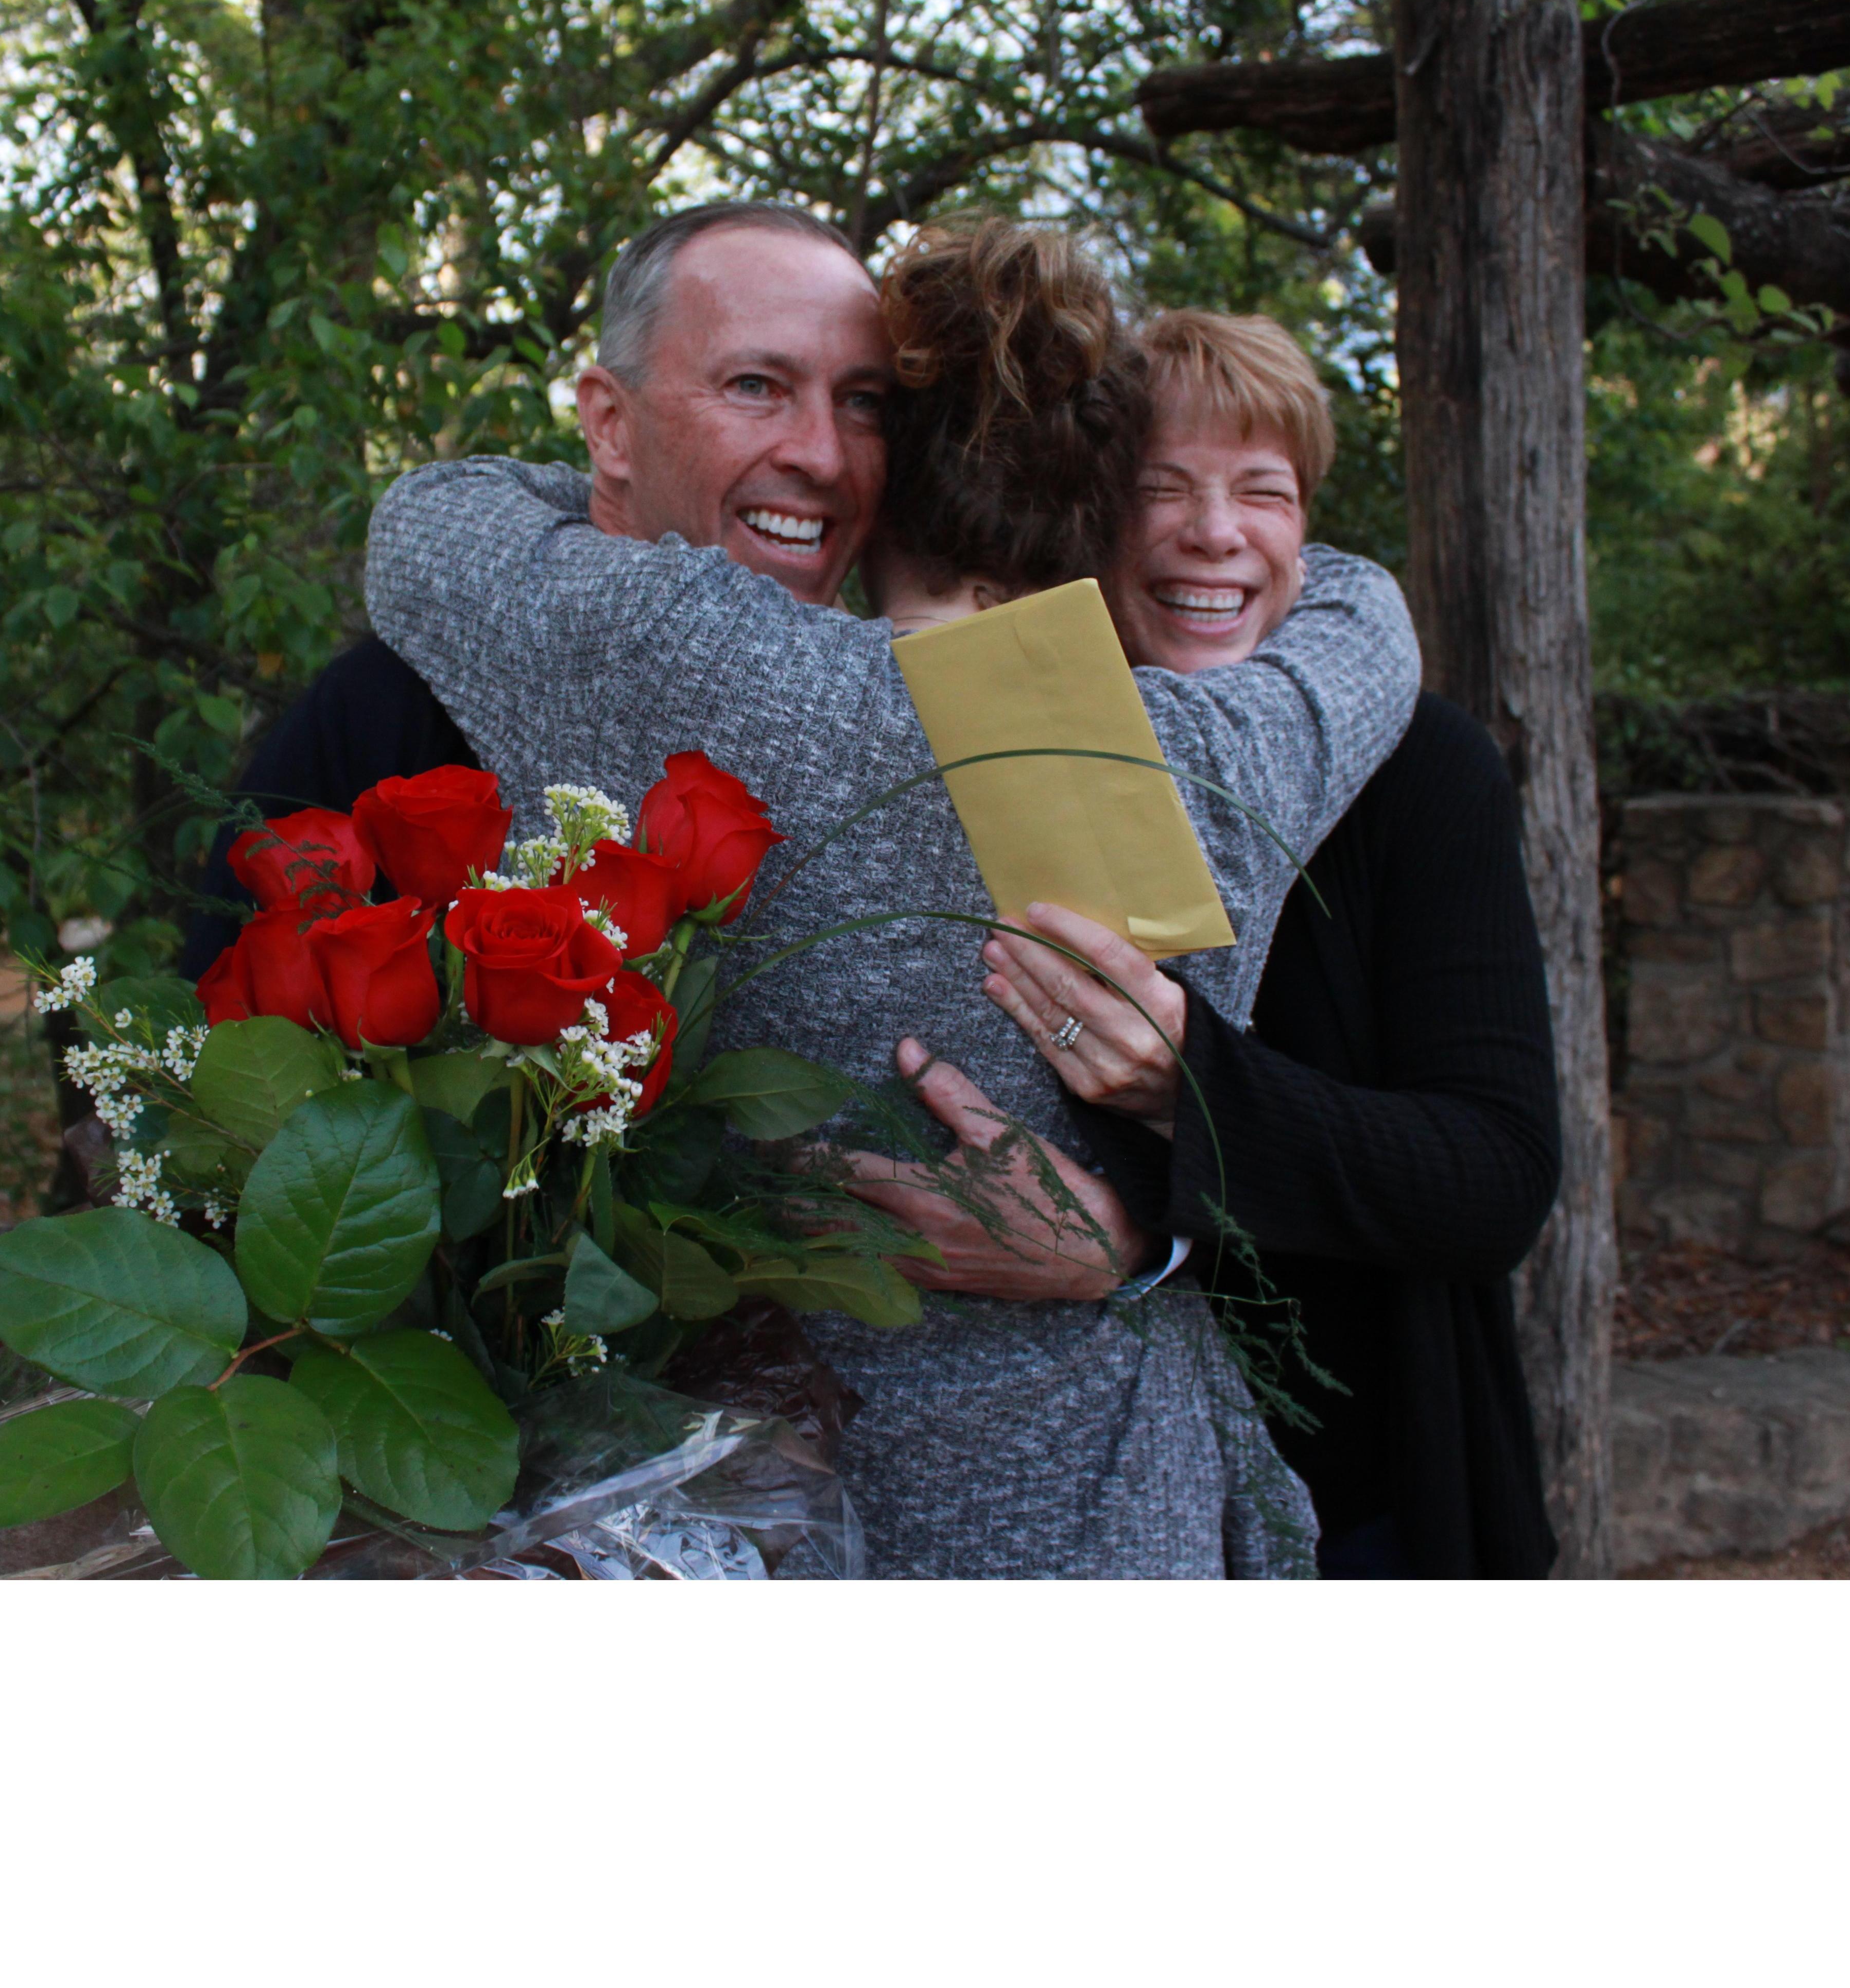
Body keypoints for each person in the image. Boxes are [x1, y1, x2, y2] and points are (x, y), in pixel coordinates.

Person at [360, 219, 1421, 1576]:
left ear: (878, 485)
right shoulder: (1217, 747)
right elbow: (1364, 618)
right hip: (1107, 1521)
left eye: (858, 411)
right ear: (1108, 516)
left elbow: (428, 524)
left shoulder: (695, 657)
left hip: (741, 1509)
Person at [973, 307, 1563, 1578]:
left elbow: (1497, 1173)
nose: (1216, 533)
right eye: (1161, 489)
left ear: (1307, 529)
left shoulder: (1424, 769)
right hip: (1065, 1509)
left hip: (1363, 1489)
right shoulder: (1008, 753)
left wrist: (1193, 1097)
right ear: (1088, 517)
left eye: (1264, 492)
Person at [179, 201, 893, 981]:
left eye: (864, 401)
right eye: (756, 385)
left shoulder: (928, 722)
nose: (825, 457)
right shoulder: (395, 721)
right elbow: (222, 1070)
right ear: (611, 424)